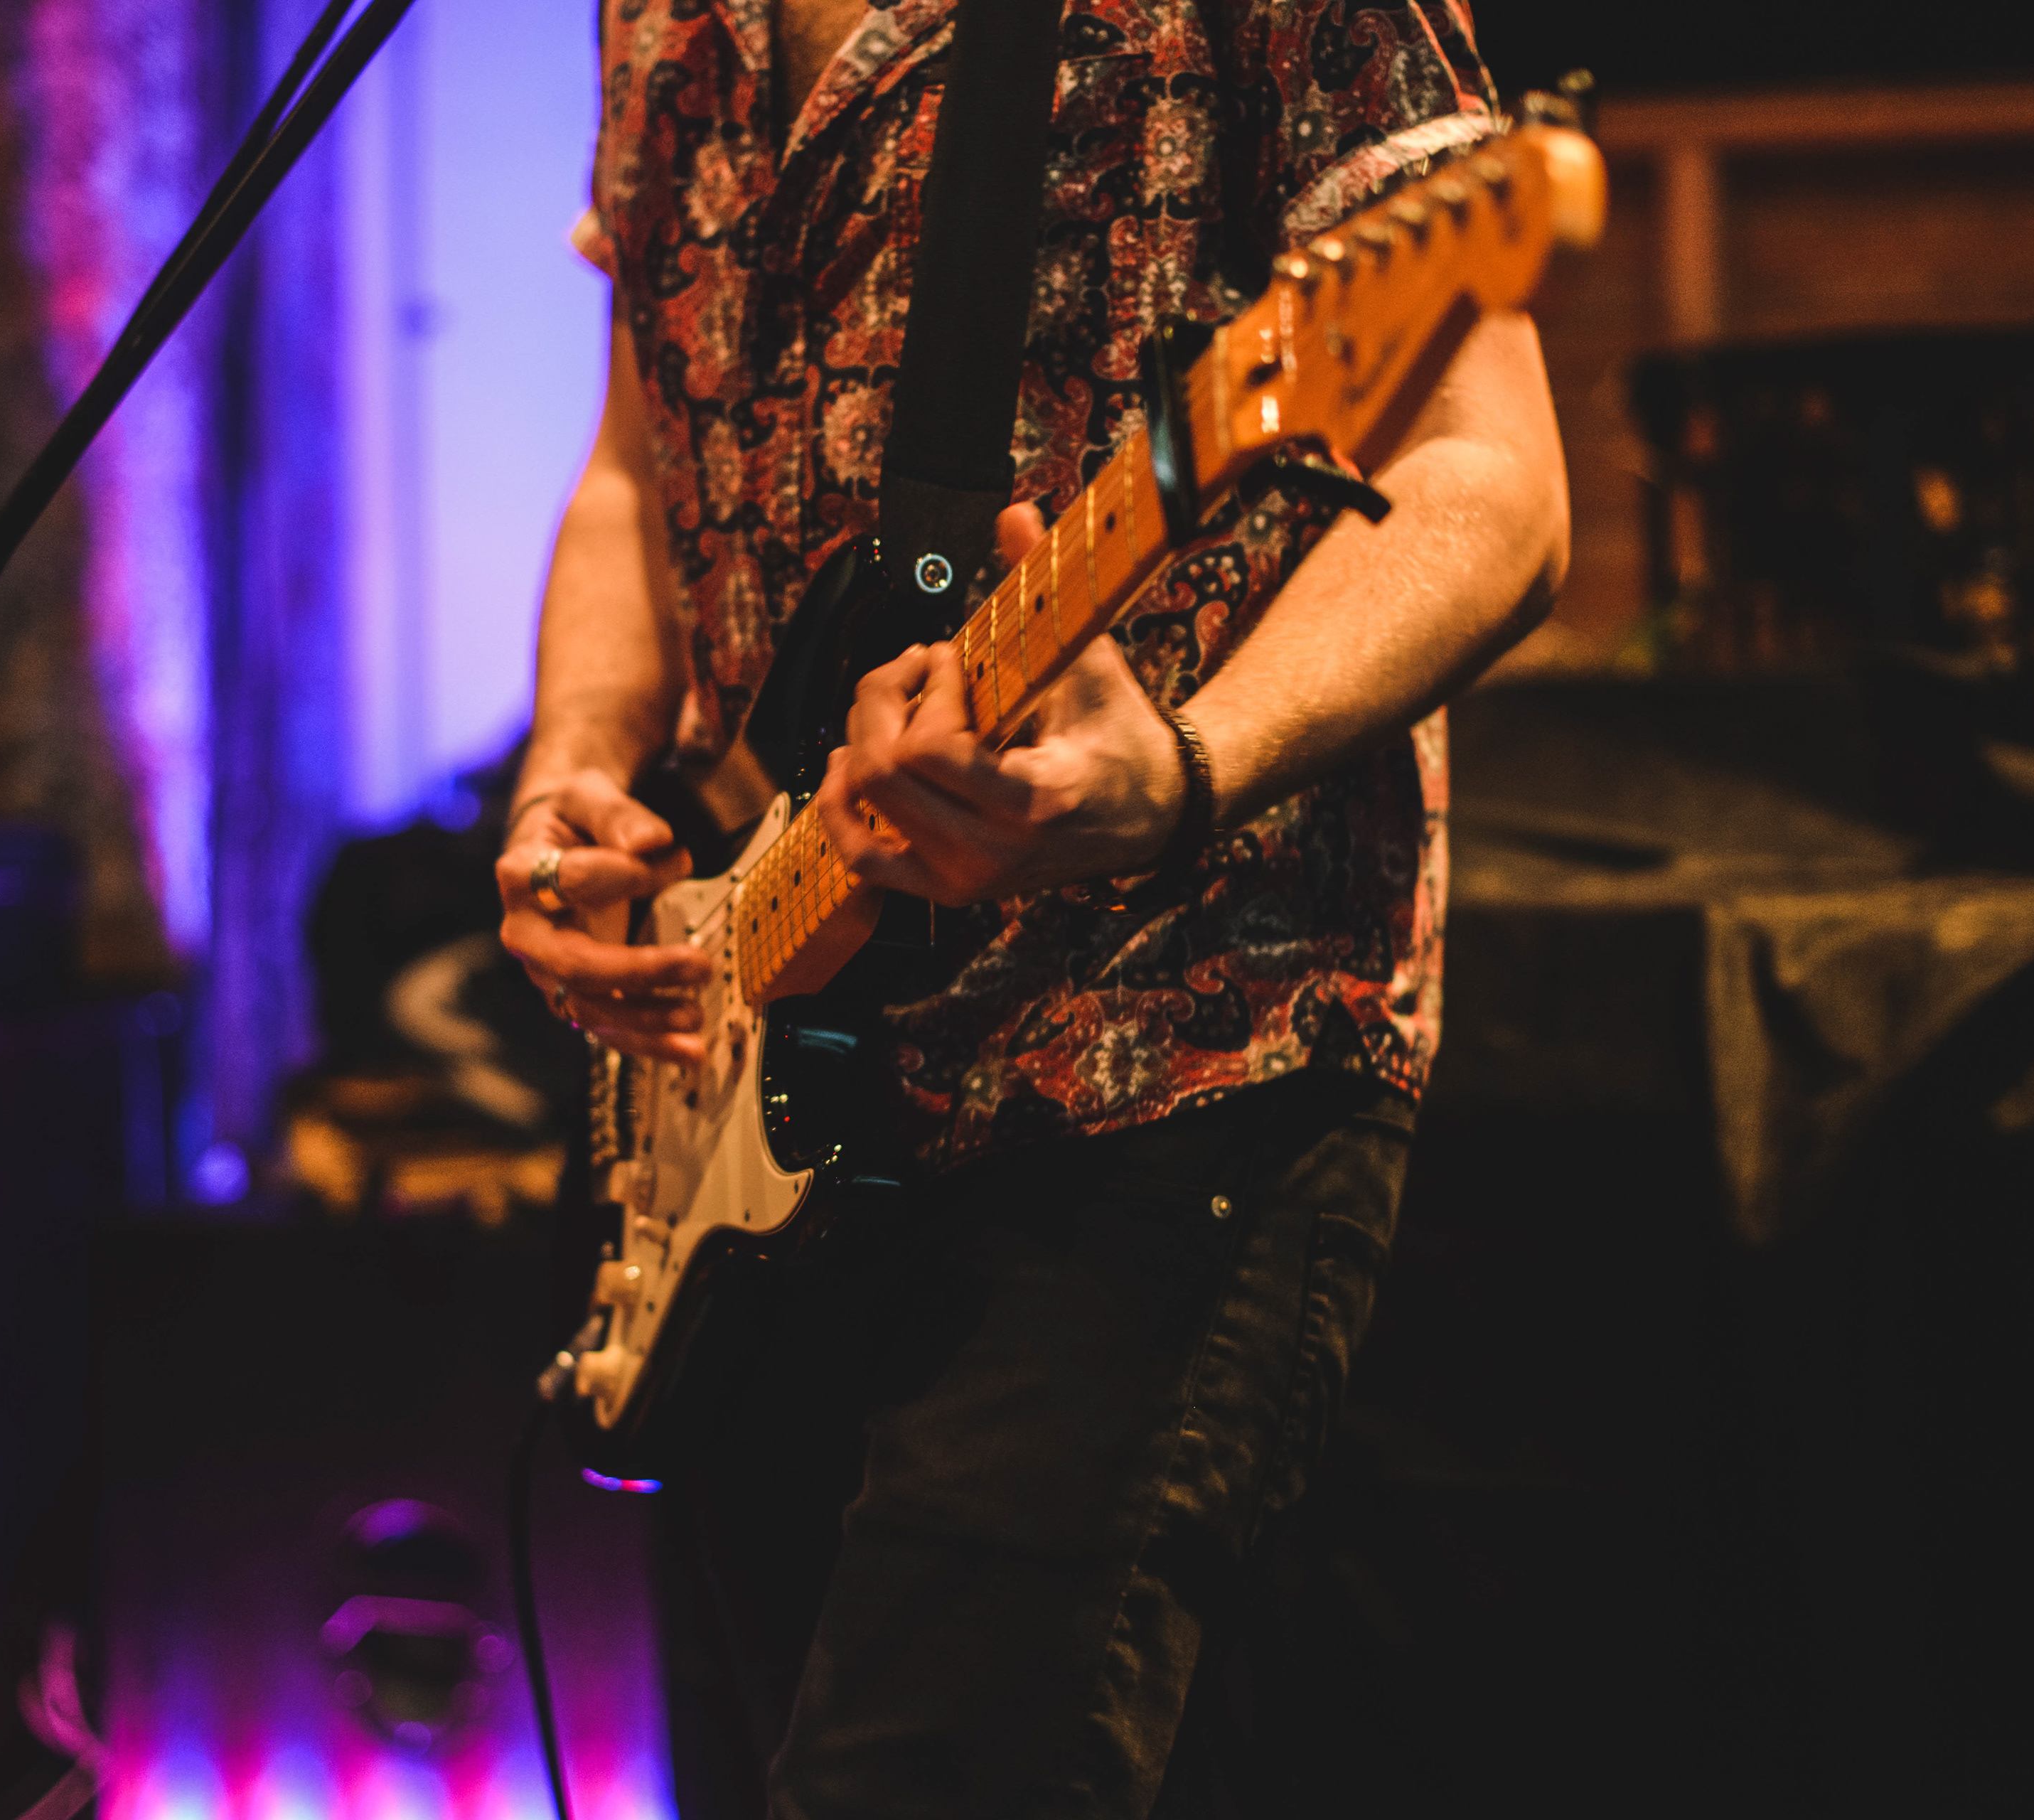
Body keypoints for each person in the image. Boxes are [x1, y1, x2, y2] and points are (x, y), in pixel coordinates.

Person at [498, 1, 1569, 1812]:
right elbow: (632, 466)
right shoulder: (659, 19)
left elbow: (1491, 477)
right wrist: (573, 770)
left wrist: (1190, 763)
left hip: (1166, 1044)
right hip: (766, 1085)